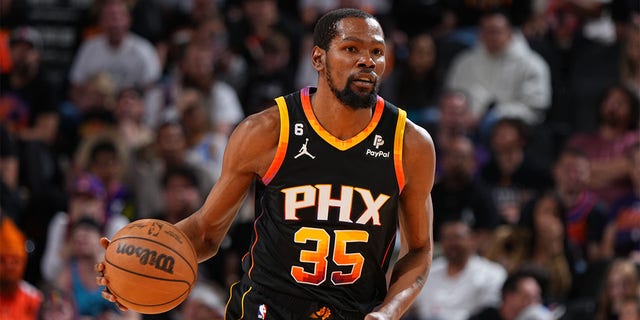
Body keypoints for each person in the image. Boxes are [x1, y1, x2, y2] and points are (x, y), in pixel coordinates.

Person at [98, 8, 436, 319]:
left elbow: (419, 250)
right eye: (351, 49)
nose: (367, 61)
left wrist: (389, 312)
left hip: (354, 311)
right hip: (265, 307)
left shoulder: (410, 144)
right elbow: (205, 232)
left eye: (376, 52)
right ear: (318, 58)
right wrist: (133, 266)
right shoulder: (267, 131)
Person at [411, 219, 507, 320]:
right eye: (446, 238)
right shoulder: (428, 271)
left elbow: (489, 311)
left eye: (457, 237)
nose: (451, 243)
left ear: (472, 240)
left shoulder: (493, 273)